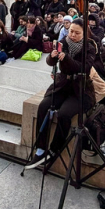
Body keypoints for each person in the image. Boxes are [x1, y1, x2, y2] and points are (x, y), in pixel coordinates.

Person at [32, 19, 98, 164]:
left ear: (84, 34)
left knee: (64, 114)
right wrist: (52, 56)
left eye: (77, 33)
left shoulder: (90, 47)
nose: (73, 35)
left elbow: (83, 68)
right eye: (71, 31)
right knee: (44, 106)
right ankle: (40, 147)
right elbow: (51, 62)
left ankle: (55, 148)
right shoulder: (63, 42)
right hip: (62, 85)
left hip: (80, 89)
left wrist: (66, 58)